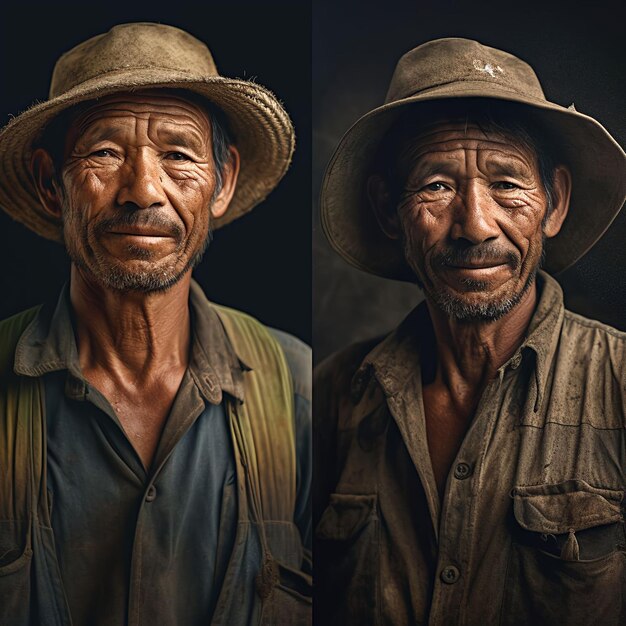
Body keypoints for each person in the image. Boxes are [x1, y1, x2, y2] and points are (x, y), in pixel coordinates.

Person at [0, 23, 311, 626]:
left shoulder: (299, 389)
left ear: (220, 182)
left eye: (178, 155)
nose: (143, 190)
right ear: (49, 185)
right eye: (106, 152)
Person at [314, 37, 626, 626]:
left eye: (507, 184)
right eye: (436, 186)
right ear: (389, 211)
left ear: (553, 202)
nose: (474, 226)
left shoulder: (619, 381)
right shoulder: (335, 396)